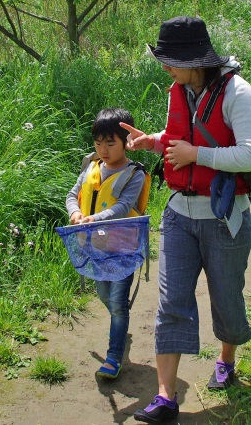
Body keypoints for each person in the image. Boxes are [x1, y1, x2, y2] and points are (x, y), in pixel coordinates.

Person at [122, 16, 251, 424]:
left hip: (223, 218)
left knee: (227, 299)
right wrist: (153, 142)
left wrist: (195, 155)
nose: (164, 67)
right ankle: (166, 396)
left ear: (193, 60)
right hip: (179, 214)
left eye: (169, 60)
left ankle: (226, 358)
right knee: (172, 302)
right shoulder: (178, 91)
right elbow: (177, 139)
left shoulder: (235, 92)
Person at [66, 108, 149, 380]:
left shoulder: (134, 174)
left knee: (116, 301)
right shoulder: (90, 168)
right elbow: (72, 195)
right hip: (95, 248)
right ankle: (120, 321)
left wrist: (94, 218)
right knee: (105, 297)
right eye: (98, 143)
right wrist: (75, 213)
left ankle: (114, 356)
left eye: (110, 143)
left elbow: (124, 206)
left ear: (127, 142)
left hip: (123, 248)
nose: (103, 149)